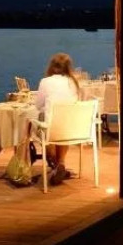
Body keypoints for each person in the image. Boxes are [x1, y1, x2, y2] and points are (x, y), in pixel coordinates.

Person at [35, 53, 82, 185]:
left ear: (51, 66)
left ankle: (56, 165)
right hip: (71, 129)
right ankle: (60, 163)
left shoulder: (45, 82)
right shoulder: (73, 83)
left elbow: (38, 105)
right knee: (62, 126)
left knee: (41, 127)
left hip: (52, 129)